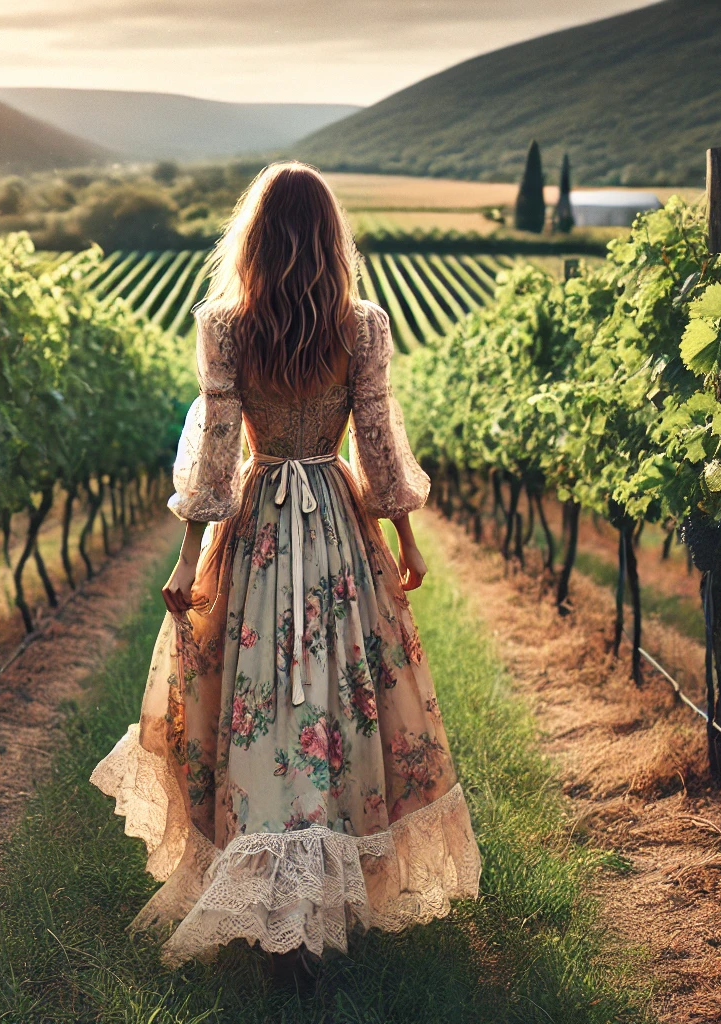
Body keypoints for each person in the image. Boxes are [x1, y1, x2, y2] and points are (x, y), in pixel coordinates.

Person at [90, 161, 481, 972]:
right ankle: (317, 872)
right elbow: (374, 445)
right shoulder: (362, 325)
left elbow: (216, 461)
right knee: (341, 694)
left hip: (259, 516)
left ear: (255, 237)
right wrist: (405, 542)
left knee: (257, 694)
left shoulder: (226, 324)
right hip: (337, 522)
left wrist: (189, 559)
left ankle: (273, 870)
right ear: (332, 238)